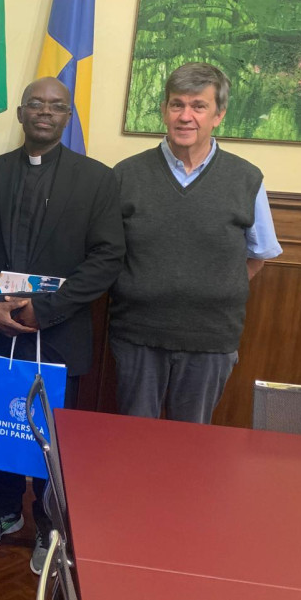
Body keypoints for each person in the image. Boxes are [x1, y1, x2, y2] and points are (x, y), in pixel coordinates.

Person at [0, 77, 125, 573]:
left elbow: (107, 257)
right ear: (21, 113)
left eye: (56, 106)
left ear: (68, 116)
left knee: (52, 435)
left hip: (59, 330)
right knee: (1, 421)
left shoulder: (97, 180)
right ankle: (3, 510)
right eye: (36, 104)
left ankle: (49, 526)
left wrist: (46, 309)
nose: (45, 112)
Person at [110, 62, 282, 424]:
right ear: (164, 110)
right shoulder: (126, 175)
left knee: (192, 442)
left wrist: (213, 289)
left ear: (218, 115)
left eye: (198, 106)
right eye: (177, 104)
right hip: (138, 335)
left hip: (211, 340)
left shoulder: (246, 178)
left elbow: (259, 255)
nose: (185, 116)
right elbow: (106, 253)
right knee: (132, 439)